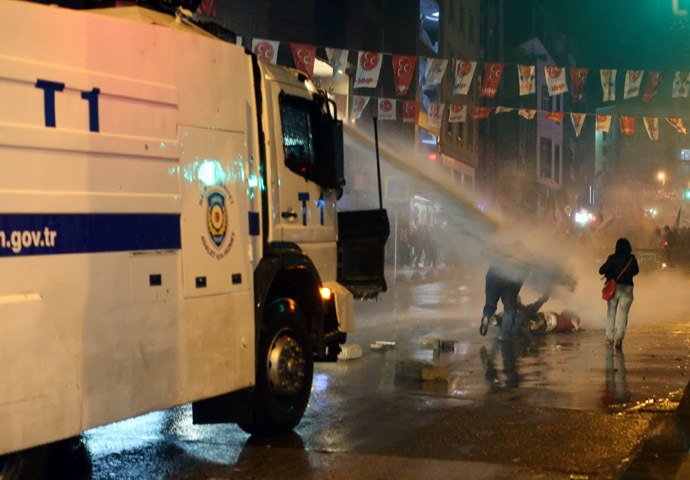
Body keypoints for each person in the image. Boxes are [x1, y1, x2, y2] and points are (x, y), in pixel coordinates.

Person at [480, 243, 531, 341]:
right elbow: (519, 280)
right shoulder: (523, 260)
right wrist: (514, 295)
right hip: (508, 281)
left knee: (490, 304)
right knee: (510, 310)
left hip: (491, 277)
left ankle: (486, 317)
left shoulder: (501, 252)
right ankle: (503, 335)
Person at [599, 238, 639, 349]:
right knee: (623, 314)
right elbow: (636, 271)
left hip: (614, 288)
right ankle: (619, 339)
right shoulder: (632, 258)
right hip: (627, 288)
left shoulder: (612, 258)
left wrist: (611, 271)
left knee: (611, 312)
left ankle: (609, 337)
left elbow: (601, 270)